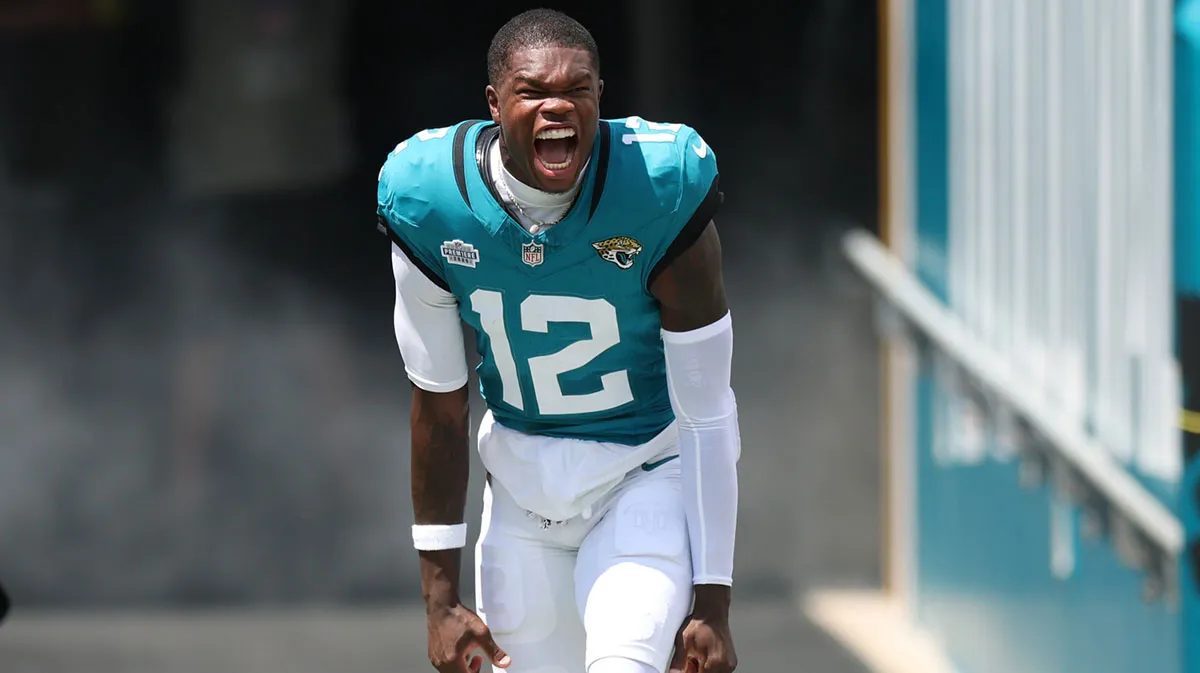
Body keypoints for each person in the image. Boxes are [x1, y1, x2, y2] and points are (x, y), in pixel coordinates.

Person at [376, 9, 741, 673]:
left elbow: (708, 408)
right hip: (521, 495)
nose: (557, 107)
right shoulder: (430, 197)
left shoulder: (660, 187)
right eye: (533, 91)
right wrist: (439, 598)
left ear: (600, 95)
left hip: (641, 476)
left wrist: (713, 599)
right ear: (494, 104)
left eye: (576, 90)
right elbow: (439, 402)